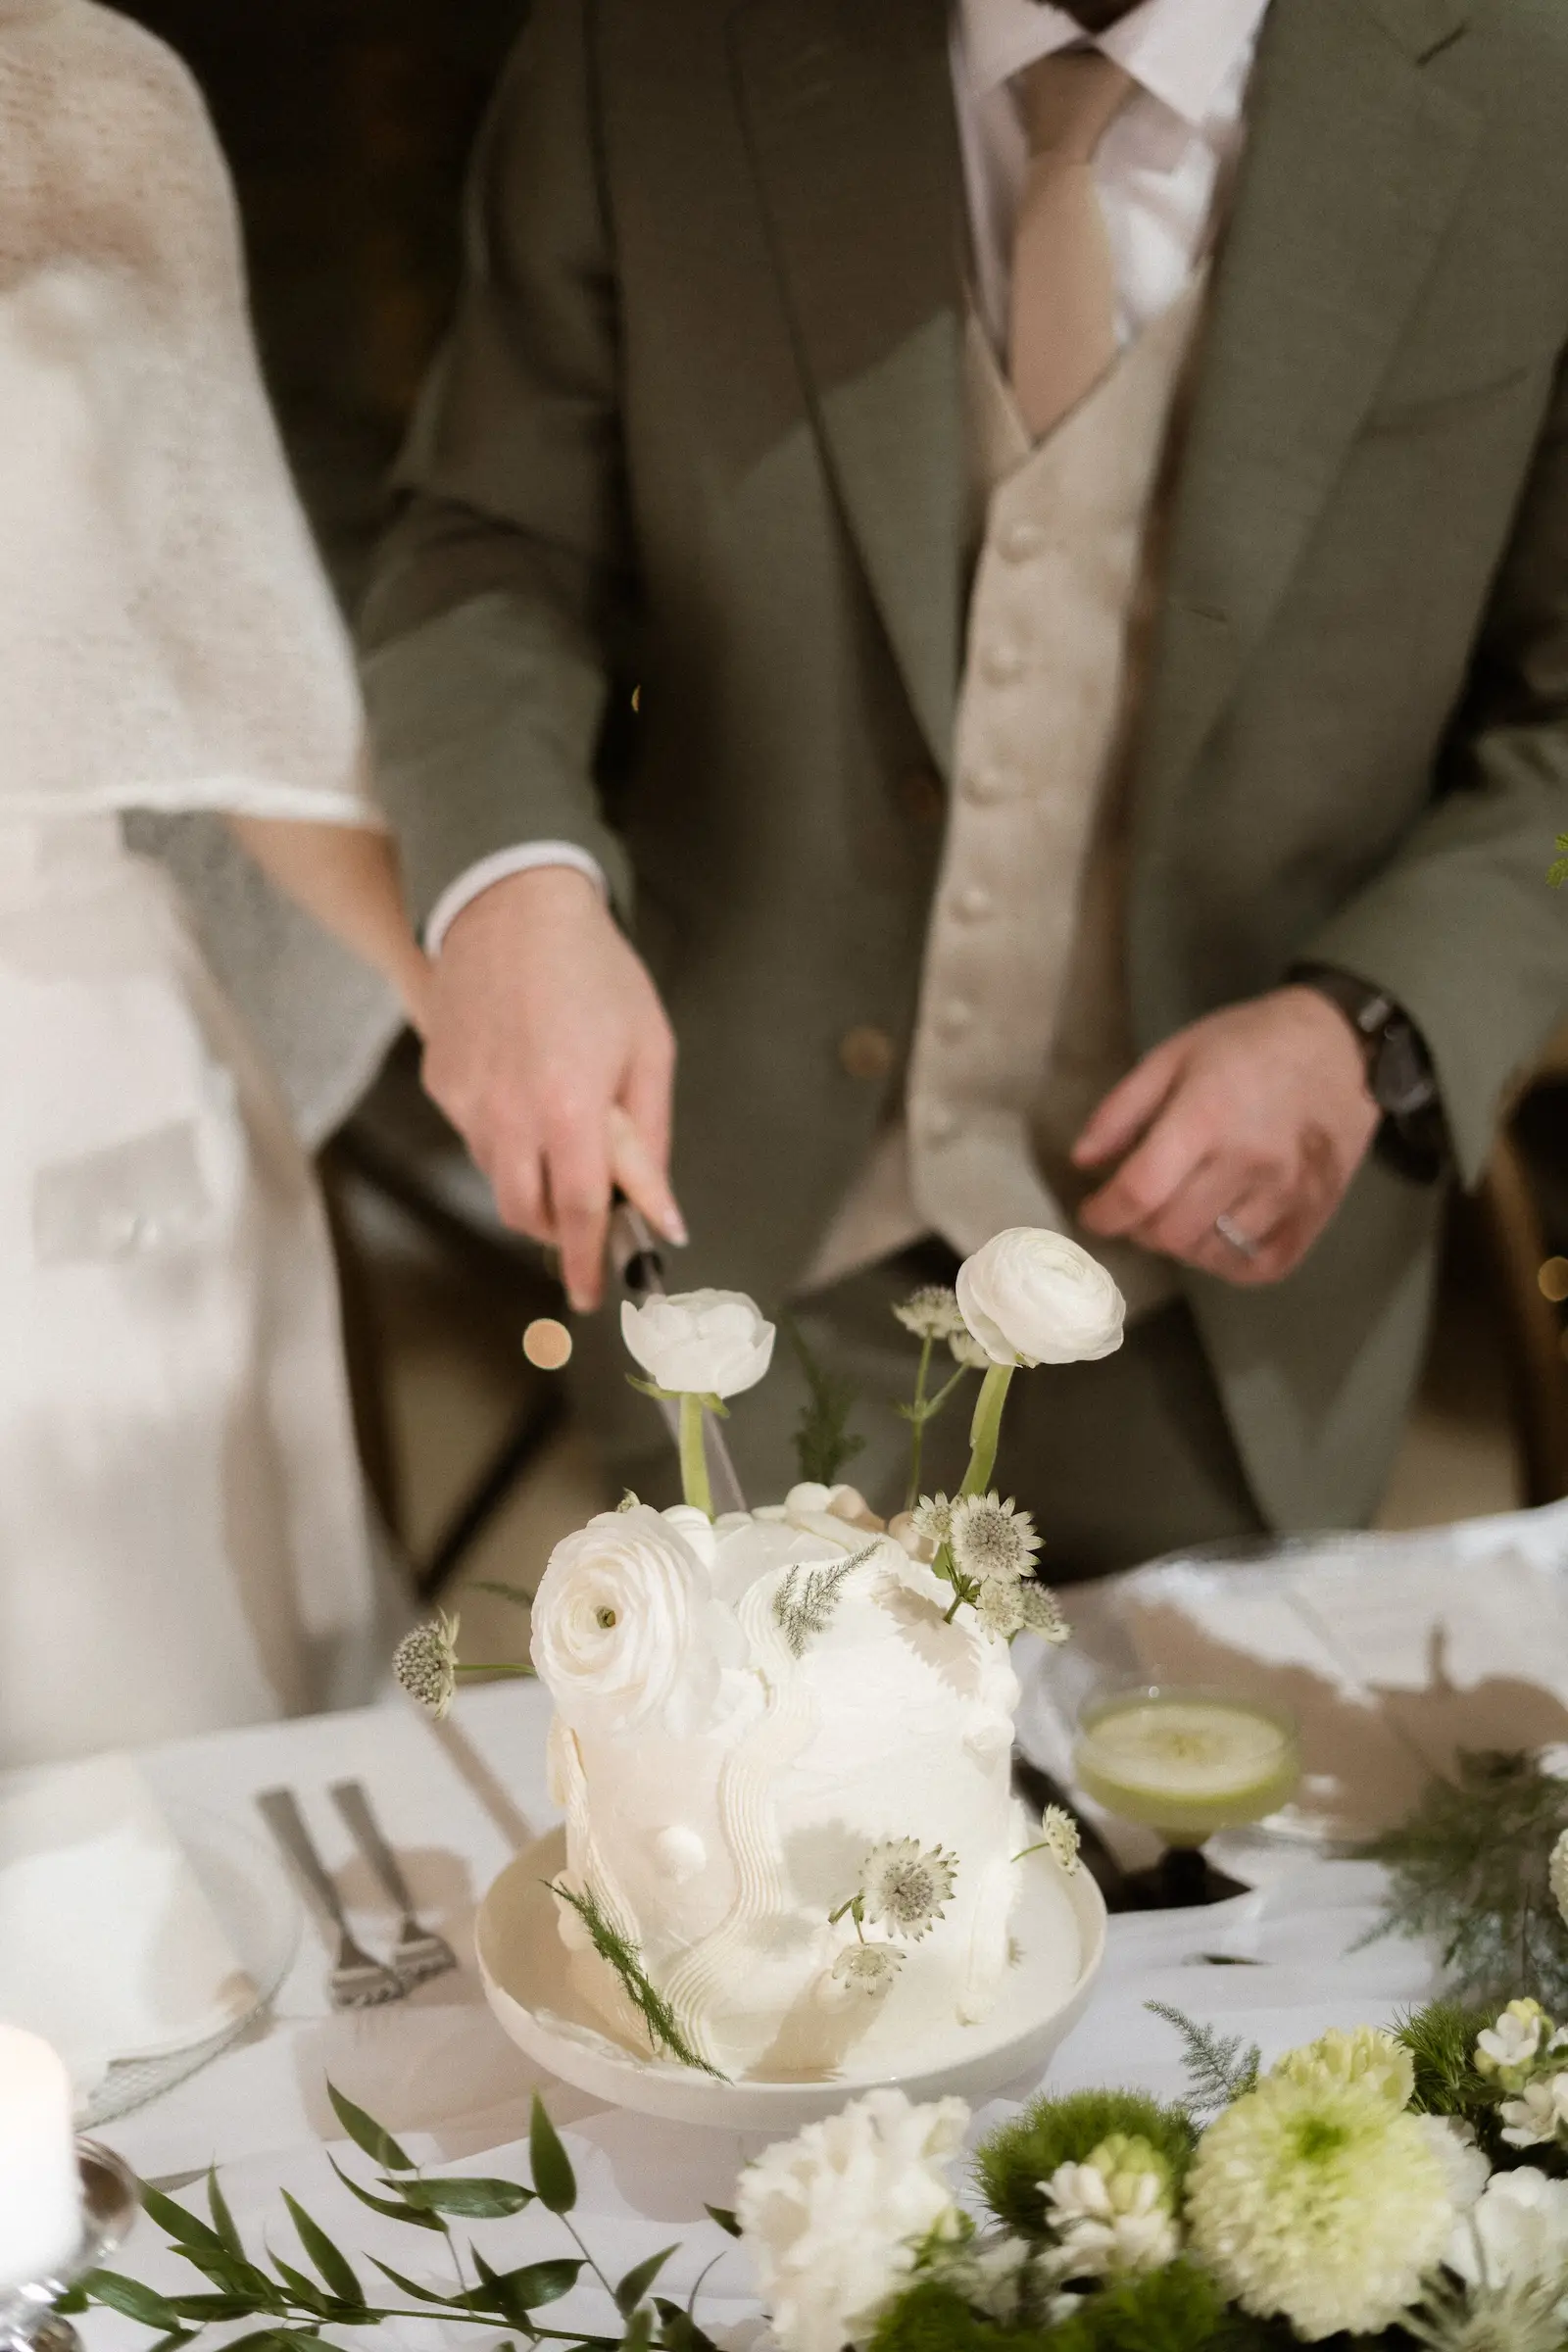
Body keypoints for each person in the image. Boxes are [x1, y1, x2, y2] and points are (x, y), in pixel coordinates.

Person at [360, 0, 1568, 1571]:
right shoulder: (643, 46)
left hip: (1238, 1302)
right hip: (746, 1239)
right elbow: (491, 543)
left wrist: (1378, 1027)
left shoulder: (1535, 77)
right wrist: (514, 882)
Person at [0, 0, 430, 1765]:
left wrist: (477, 992)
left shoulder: (87, 109)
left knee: (135, 1772)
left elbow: (255, 680)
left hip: (60, 1068)